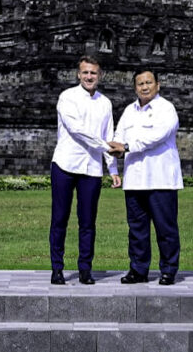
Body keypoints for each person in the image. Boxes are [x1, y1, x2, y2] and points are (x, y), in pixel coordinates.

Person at [49, 55, 121, 285]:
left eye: (93, 73)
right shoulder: (67, 97)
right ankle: (57, 269)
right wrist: (105, 147)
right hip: (65, 164)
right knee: (60, 218)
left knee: (88, 221)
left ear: (100, 76)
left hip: (91, 168)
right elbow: (76, 129)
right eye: (85, 72)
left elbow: (109, 133)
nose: (89, 76)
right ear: (78, 75)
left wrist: (113, 169)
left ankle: (85, 269)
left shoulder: (105, 103)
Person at [109, 67, 183, 285]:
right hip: (134, 179)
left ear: (157, 85)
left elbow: (157, 137)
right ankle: (138, 269)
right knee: (137, 230)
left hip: (160, 179)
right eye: (140, 84)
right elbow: (117, 137)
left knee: (165, 228)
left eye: (149, 82)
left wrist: (128, 146)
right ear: (135, 87)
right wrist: (113, 163)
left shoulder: (166, 109)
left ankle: (168, 270)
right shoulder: (129, 111)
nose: (144, 87)